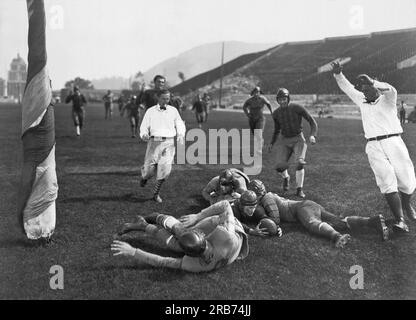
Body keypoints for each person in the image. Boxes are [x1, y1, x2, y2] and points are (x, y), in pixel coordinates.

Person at [332, 61, 416, 233]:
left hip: (394, 142)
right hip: (373, 145)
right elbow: (347, 88)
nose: (365, 92)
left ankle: (407, 205)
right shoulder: (362, 101)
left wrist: (373, 82)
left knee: (407, 181)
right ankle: (400, 221)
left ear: (376, 88)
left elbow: (391, 89)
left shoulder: (387, 100)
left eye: (368, 88)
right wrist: (338, 74)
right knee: (387, 180)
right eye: (363, 90)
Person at [112, 196, 250, 273]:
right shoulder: (225, 236)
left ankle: (145, 224)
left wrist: (133, 251)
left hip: (227, 240)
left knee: (178, 243)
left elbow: (162, 261)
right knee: (183, 234)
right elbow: (226, 205)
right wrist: (198, 216)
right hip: (226, 227)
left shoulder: (191, 264)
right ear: (204, 240)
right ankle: (155, 219)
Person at [248, 179, 389, 247]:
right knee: (339, 221)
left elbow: (275, 218)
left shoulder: (266, 198)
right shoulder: (269, 195)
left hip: (300, 209)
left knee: (313, 224)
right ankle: (372, 221)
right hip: (308, 205)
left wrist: (264, 222)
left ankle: (337, 237)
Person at [267, 88, 318, 198]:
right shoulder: (276, 113)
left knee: (300, 163)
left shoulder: (297, 108)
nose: (282, 102)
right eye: (280, 99)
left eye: (284, 99)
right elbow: (276, 130)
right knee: (279, 167)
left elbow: (311, 121)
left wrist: (313, 134)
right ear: (277, 100)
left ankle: (299, 189)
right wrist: (272, 143)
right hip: (284, 140)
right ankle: (286, 177)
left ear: (288, 98)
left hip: (298, 139)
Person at [139, 89, 186, 203]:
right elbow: (144, 126)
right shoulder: (150, 111)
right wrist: (144, 134)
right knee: (149, 171)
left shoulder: (173, 111)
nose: (166, 101)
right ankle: (144, 176)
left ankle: (156, 194)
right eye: (164, 99)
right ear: (158, 98)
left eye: (168, 99)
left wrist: (180, 134)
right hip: (154, 143)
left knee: (165, 169)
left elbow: (179, 124)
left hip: (169, 143)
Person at [243, 86, 273, 157]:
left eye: (258, 92)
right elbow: (244, 107)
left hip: (260, 119)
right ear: (253, 93)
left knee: (259, 133)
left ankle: (259, 149)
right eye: (255, 92)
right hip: (252, 119)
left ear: (259, 93)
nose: (256, 94)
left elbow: (268, 104)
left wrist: (271, 112)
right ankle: (260, 142)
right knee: (256, 135)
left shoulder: (262, 99)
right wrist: (247, 114)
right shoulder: (249, 100)